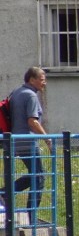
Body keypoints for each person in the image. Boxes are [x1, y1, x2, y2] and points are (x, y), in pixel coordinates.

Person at [4, 67, 51, 223]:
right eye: (42, 79)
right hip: (28, 142)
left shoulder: (16, 92)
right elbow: (32, 121)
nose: (44, 82)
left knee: (34, 175)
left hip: (16, 141)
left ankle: (5, 192)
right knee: (39, 178)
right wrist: (47, 139)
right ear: (32, 79)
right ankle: (32, 217)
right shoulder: (31, 95)